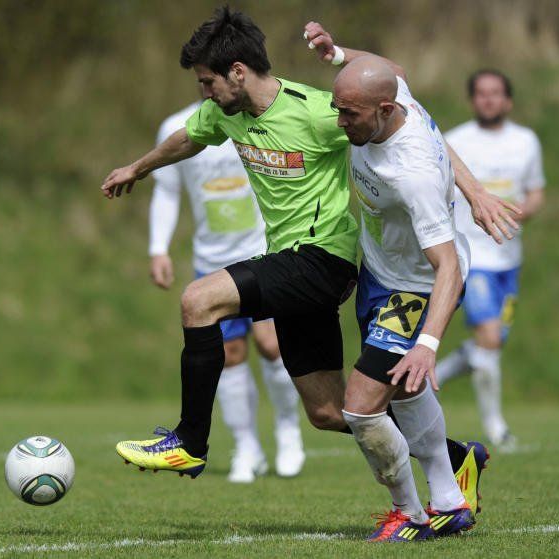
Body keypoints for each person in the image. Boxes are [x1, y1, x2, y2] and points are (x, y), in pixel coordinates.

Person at [102, 7, 516, 484]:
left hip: (323, 257)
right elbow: (186, 140)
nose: (205, 93)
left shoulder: (319, 112)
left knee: (198, 300)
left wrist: (475, 192)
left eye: (207, 82)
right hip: (289, 261)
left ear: (237, 72)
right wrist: (137, 169)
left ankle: (190, 442)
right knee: (330, 411)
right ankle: (455, 455)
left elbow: (416, 128)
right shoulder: (223, 114)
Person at [303, 22, 477, 541]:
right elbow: (393, 70)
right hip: (379, 273)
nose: (340, 123)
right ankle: (450, 501)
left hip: (415, 288)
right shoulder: (394, 94)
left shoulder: (411, 173)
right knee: (402, 393)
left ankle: (410, 515)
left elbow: (448, 267)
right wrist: (337, 54)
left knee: (359, 407)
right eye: (337, 109)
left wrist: (428, 344)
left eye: (349, 114)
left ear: (385, 110)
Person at [149, 102, 305, 482]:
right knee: (230, 354)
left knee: (271, 344)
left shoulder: (258, 120)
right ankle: (247, 446)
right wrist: (158, 248)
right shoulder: (177, 126)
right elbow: (167, 191)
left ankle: (288, 430)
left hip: (262, 250)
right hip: (212, 260)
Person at [435, 70, 545, 452]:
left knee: (490, 347)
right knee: (488, 338)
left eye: (495, 93)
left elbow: (536, 192)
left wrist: (520, 212)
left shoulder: (526, 141)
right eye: (481, 93)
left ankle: (429, 375)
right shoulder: (455, 141)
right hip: (473, 257)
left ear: (508, 100)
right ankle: (497, 428)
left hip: (508, 259)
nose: (488, 99)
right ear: (472, 100)